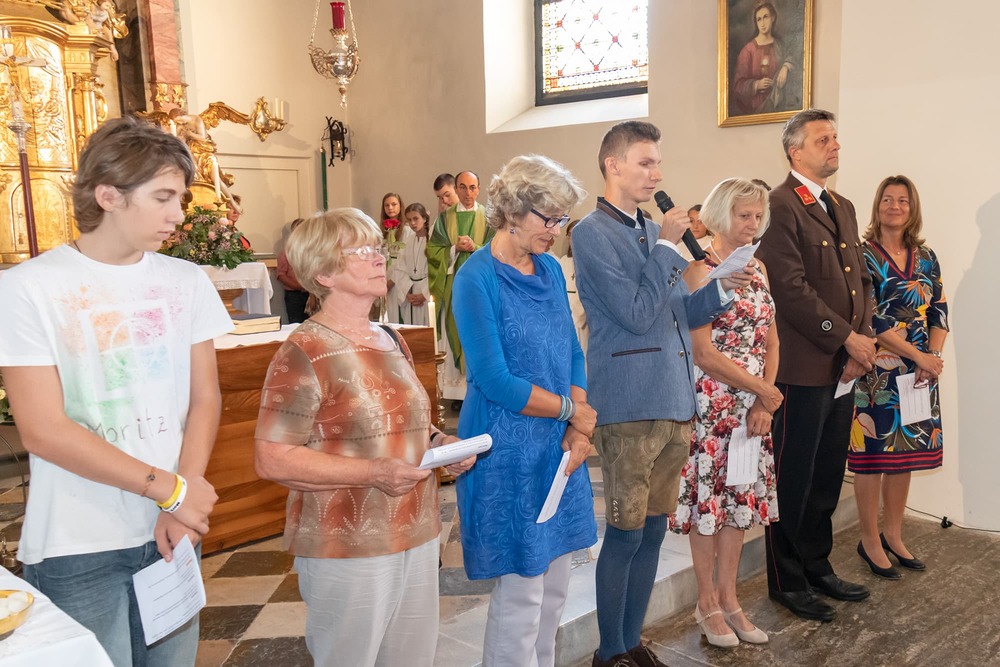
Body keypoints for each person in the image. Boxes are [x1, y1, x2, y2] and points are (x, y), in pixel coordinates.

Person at [0, 116, 230, 665]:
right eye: (163, 198)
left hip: (171, 528)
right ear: (109, 196)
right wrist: (169, 490)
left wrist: (181, 499)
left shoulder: (186, 281)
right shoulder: (27, 288)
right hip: (79, 540)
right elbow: (44, 430)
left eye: (181, 198)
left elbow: (205, 398)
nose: (179, 215)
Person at [254, 208, 475, 667]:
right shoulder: (304, 350)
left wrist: (441, 446)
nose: (378, 258)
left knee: (412, 659)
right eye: (361, 251)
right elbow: (273, 457)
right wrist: (373, 472)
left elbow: (412, 425)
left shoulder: (390, 338)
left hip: (416, 530)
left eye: (377, 247)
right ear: (324, 273)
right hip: (347, 542)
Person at [573, 120, 755, 667]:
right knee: (625, 533)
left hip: (673, 399)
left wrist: (721, 287)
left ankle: (632, 641)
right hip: (629, 401)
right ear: (613, 165)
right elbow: (633, 314)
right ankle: (609, 651)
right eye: (645, 162)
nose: (657, 173)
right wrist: (669, 249)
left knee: (653, 532)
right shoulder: (591, 233)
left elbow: (676, 312)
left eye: (658, 163)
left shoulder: (653, 232)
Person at [452, 154, 597, 667]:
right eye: (548, 218)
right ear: (513, 211)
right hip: (506, 446)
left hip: (556, 444)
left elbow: (571, 350)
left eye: (562, 218)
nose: (556, 230)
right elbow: (494, 379)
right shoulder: (476, 277)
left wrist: (578, 424)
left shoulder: (551, 268)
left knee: (555, 588)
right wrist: (571, 411)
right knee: (522, 594)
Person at [757, 108, 876, 622]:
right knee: (793, 477)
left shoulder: (841, 205)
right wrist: (845, 338)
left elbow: (861, 281)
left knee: (827, 474)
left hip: (843, 366)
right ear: (795, 151)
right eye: (823, 139)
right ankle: (786, 580)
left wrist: (860, 343)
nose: (835, 146)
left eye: (835, 138)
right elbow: (789, 289)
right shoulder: (779, 204)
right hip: (802, 368)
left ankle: (816, 565)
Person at [669, 178, 780, 647]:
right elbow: (703, 352)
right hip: (712, 406)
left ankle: (731, 600)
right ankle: (707, 603)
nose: (753, 223)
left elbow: (771, 339)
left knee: (738, 503)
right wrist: (762, 390)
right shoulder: (700, 270)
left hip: (753, 407)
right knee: (708, 507)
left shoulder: (759, 267)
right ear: (720, 215)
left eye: (758, 215)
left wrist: (763, 400)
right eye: (743, 215)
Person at [851, 175, 948, 577]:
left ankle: (893, 534)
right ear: (877, 206)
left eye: (903, 200)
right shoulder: (861, 255)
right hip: (876, 372)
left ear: (913, 208)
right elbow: (870, 317)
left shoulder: (926, 257)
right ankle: (869, 540)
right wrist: (918, 355)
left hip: (921, 372)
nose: (895, 206)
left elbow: (939, 310)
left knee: (903, 456)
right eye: (887, 200)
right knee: (872, 457)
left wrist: (932, 357)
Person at [428, 170, 494, 406]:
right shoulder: (445, 219)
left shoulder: (489, 217)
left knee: (480, 332)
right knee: (457, 330)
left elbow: (497, 248)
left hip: (481, 286)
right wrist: (454, 249)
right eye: (463, 187)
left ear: (479, 189)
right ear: (456, 189)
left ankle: (480, 388)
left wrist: (476, 247)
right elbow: (433, 250)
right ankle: (458, 393)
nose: (468, 193)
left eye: (472, 187)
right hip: (454, 285)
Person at [732, 1, 795, 115]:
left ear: (773, 18)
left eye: (765, 17)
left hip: (778, 107)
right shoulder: (748, 50)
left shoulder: (779, 45)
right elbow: (738, 86)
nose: (762, 23)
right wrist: (756, 85)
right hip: (757, 109)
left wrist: (785, 67)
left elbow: (793, 58)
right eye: (759, 19)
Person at [386, 202, 431, 325]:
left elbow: (437, 271)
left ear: (424, 218)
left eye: (416, 219)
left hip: (426, 289)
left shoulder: (432, 241)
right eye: (409, 220)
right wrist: (406, 292)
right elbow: (401, 268)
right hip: (410, 290)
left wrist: (425, 294)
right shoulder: (408, 241)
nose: (413, 223)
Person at [557, 219, 589, 355]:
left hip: (584, 323)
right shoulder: (561, 262)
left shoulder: (590, 263)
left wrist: (580, 317)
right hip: (564, 321)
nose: (574, 239)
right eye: (571, 235)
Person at [276, 218, 309, 323]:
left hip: (311, 294)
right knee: (296, 322)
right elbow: (281, 275)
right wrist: (298, 286)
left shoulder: (312, 251)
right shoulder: (286, 252)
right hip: (294, 295)